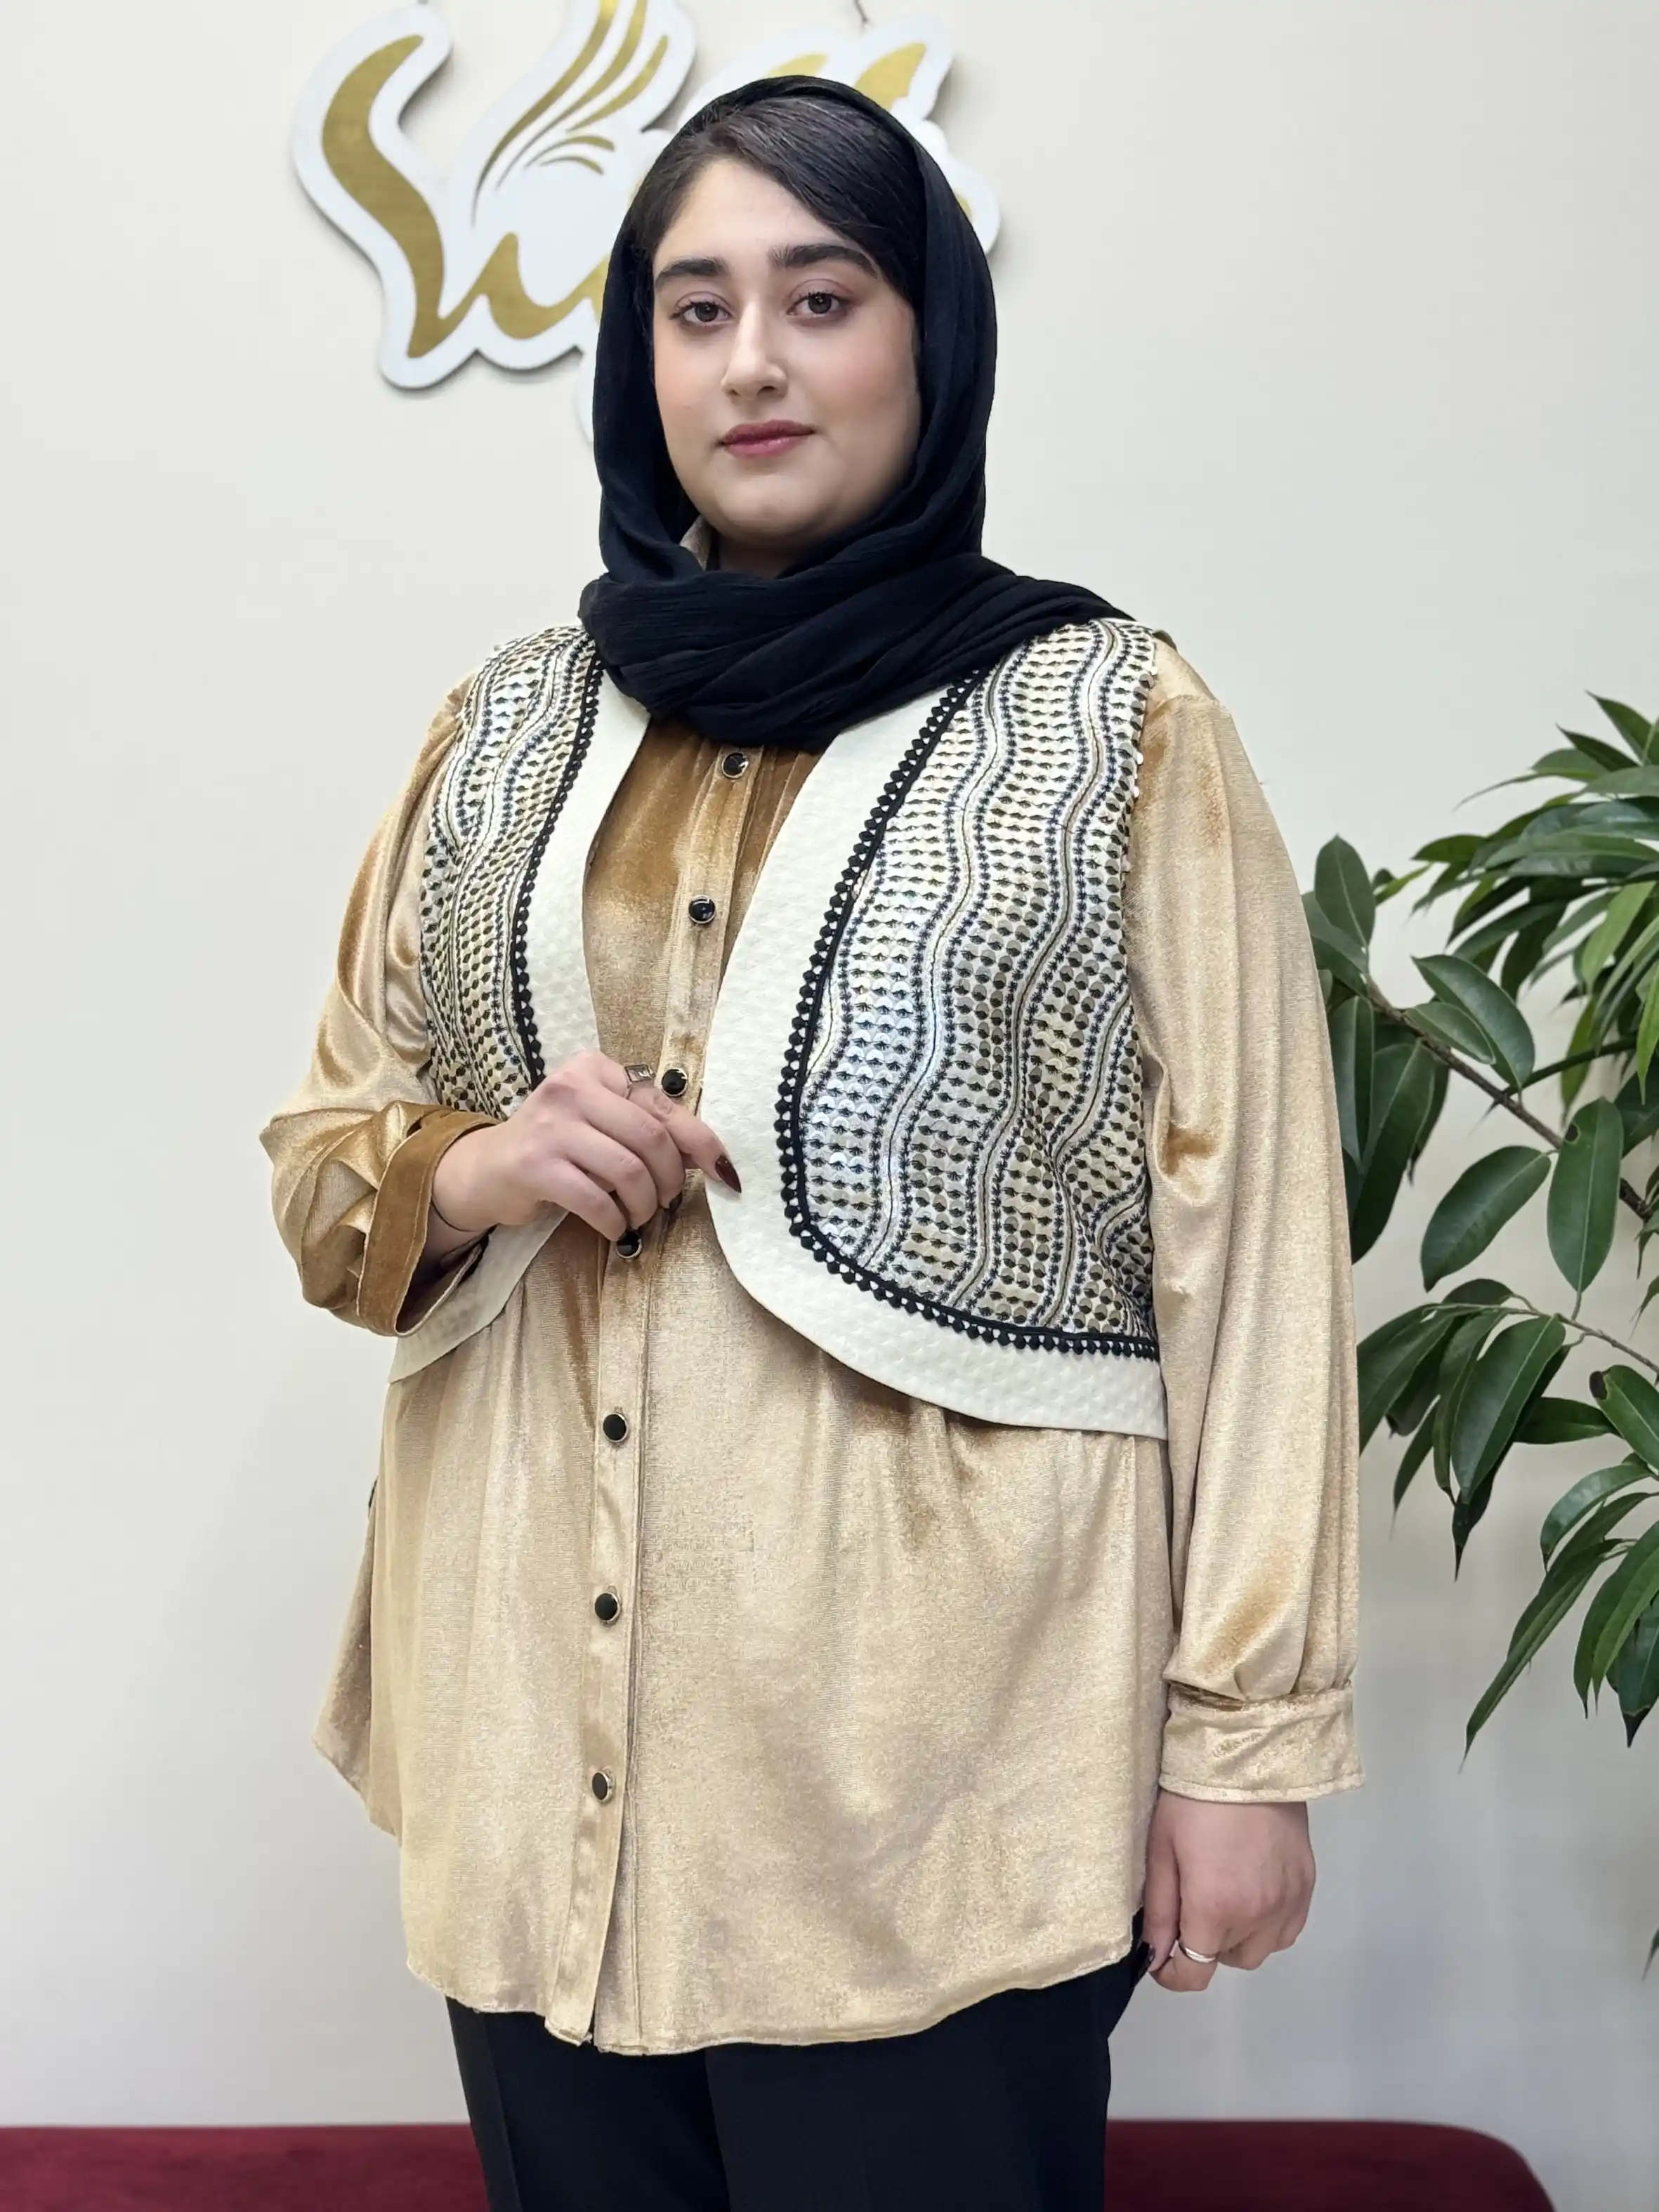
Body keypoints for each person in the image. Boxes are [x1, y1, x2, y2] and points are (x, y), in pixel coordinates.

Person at [260, 74, 1361, 2212]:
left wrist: (1246, 1740)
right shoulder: (503, 724)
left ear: (931, 338)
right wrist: (472, 1168)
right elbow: (325, 1150)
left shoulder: (1115, 722)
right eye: (696, 310)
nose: (751, 361)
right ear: (640, 364)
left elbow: (1252, 1247)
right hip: (533, 1761)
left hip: (937, 1792)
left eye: (821, 297)